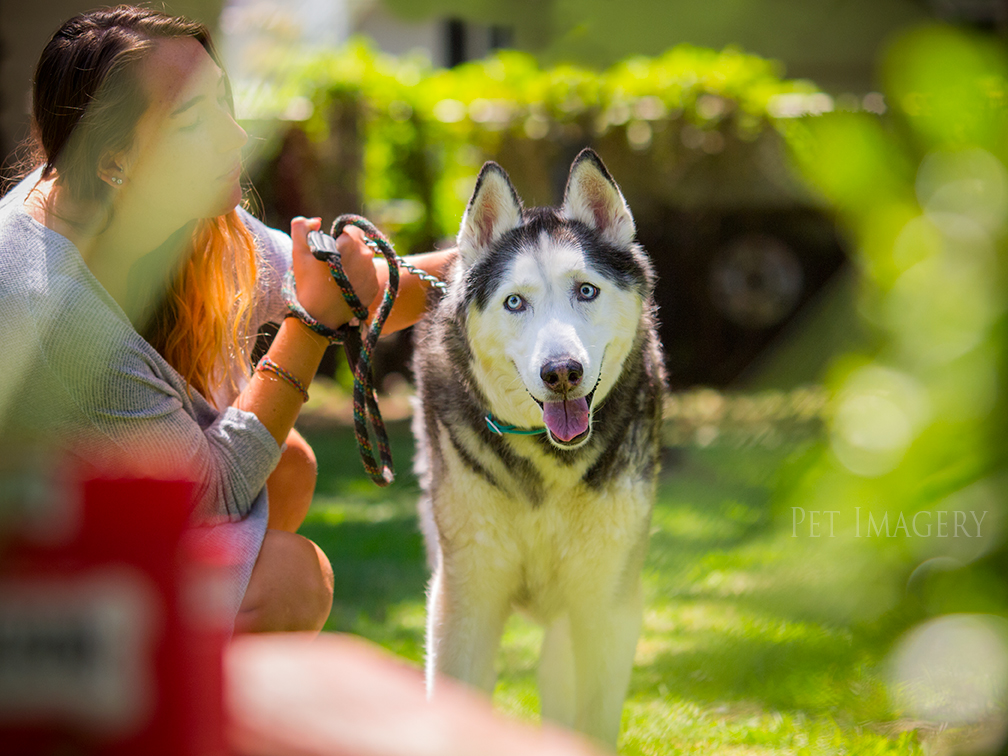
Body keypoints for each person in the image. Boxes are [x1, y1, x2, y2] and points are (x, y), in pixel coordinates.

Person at [0, 6, 451, 633]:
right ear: (112, 159)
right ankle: (144, 713)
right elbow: (207, 497)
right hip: (25, 588)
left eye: (222, 100)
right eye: (192, 119)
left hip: (80, 532)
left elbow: (347, 287)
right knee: (292, 577)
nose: (235, 136)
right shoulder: (43, 296)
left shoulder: (159, 207)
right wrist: (310, 326)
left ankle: (193, 692)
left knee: (287, 463)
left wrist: (485, 266)